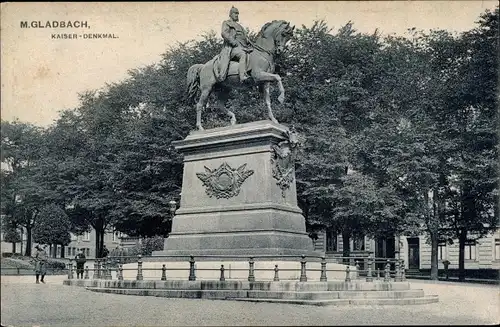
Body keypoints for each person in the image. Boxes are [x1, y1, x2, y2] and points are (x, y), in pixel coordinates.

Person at [221, 6, 252, 83]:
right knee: (242, 54)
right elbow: (224, 33)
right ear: (230, 14)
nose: (237, 15)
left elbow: (244, 37)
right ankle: (242, 76)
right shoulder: (227, 23)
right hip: (232, 48)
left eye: (238, 13)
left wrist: (249, 41)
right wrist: (233, 42)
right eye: (235, 13)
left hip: (243, 47)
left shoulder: (240, 26)